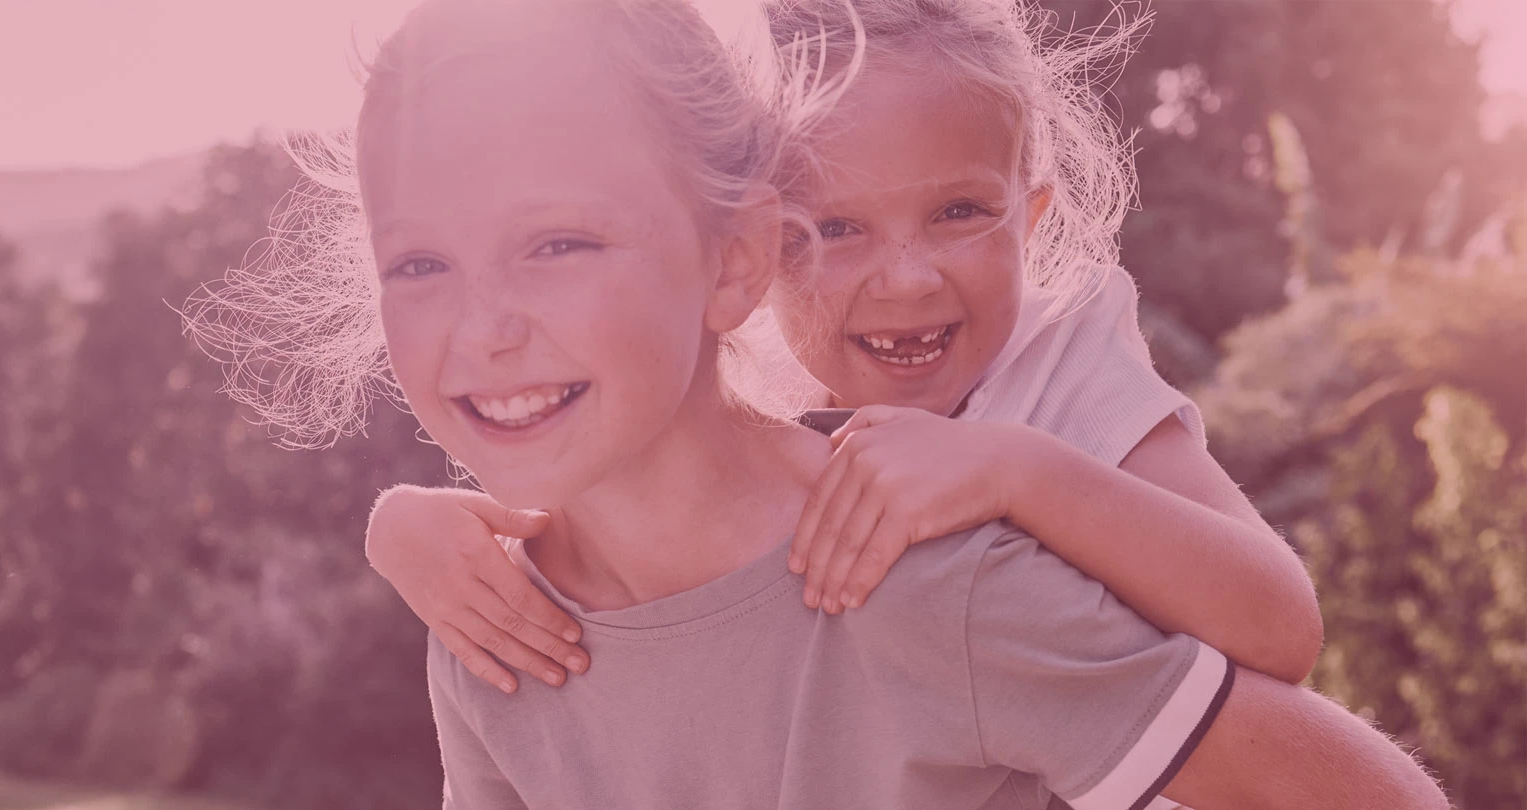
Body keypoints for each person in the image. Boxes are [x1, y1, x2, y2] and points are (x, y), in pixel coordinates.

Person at [187, 0, 1451, 806]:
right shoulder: (491, 625)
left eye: (557, 243)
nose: (483, 322)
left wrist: (1021, 473)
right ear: (778, 263)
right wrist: (404, 525)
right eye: (419, 264)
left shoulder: (940, 558)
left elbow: (1292, 654)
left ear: (730, 260)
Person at [362, 0, 1322, 709]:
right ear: (757, 253)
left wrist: (1017, 472)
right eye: (838, 230)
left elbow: (1281, 628)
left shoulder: (1061, 370)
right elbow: (593, 494)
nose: (906, 280)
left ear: (1029, 220)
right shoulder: (762, 392)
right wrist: (407, 531)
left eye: (960, 213)